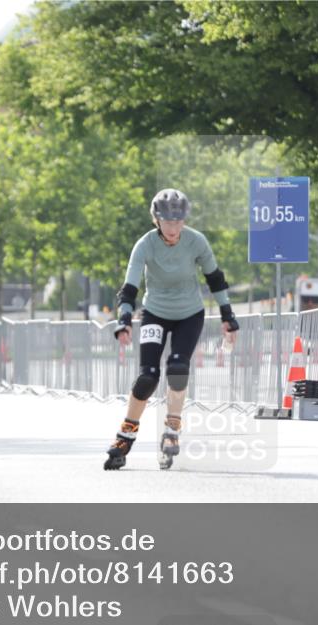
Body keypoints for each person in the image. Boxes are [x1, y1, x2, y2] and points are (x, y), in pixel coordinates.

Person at [105, 188, 239, 470]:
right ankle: (125, 435)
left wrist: (228, 315)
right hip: (155, 312)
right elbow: (129, 288)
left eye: (178, 221)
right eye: (168, 222)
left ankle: (172, 429)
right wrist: (124, 320)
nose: (174, 228)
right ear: (156, 220)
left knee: (178, 368)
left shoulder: (196, 241)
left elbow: (215, 278)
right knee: (148, 377)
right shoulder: (144, 245)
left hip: (190, 314)